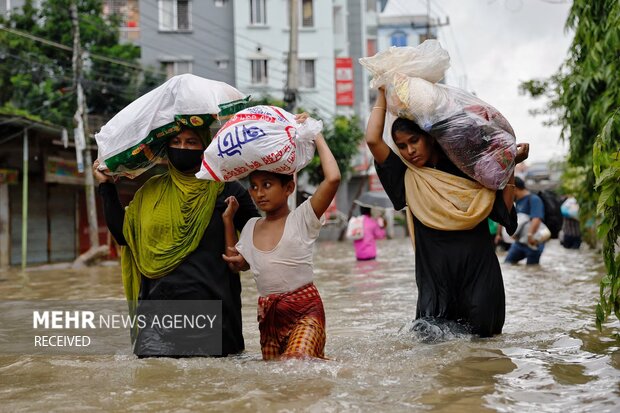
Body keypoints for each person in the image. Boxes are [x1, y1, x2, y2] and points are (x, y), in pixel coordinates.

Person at [365, 88, 528, 338]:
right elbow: (373, 140)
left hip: (478, 272)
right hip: (436, 280)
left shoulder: (468, 168)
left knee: (485, 347)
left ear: (429, 138)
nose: (409, 151)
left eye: (414, 141)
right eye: (402, 146)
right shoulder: (406, 176)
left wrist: (509, 166)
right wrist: (382, 93)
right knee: (434, 346)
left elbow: (502, 213)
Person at [93, 126, 259, 357]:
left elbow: (258, 234)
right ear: (166, 147)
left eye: (191, 142)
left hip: (214, 317)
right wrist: (106, 186)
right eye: (177, 141)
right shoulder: (150, 192)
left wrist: (246, 256)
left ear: (204, 148)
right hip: (158, 322)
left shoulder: (226, 189)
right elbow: (124, 236)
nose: (183, 148)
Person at [221, 115, 341, 360]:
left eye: (267, 185)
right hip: (270, 317)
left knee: (296, 363)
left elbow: (333, 178)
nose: (258, 193)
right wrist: (228, 221)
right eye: (253, 186)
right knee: (277, 382)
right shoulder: (252, 225)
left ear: (289, 188)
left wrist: (314, 133)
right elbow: (236, 264)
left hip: (306, 310)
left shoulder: (302, 218)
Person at [504, 177, 546, 265]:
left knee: (532, 268)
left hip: (533, 241)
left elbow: (536, 218)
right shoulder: (518, 201)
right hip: (519, 242)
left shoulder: (534, 199)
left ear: (514, 188)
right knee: (508, 262)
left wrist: (530, 235)